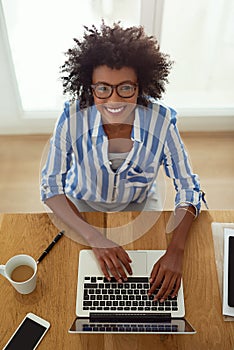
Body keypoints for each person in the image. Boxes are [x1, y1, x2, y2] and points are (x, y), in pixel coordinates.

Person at [41, 22, 204, 302]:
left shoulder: (161, 122)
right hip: (82, 203)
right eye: (103, 88)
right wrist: (94, 238)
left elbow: (189, 189)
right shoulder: (71, 117)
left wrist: (176, 251)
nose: (114, 100)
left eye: (126, 88)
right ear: (89, 87)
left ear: (140, 86)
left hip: (141, 203)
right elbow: (51, 188)